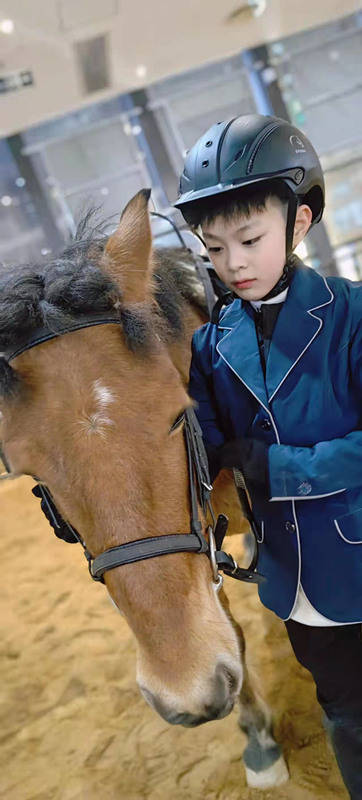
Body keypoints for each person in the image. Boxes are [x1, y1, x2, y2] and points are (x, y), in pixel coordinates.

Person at [174, 114, 362, 799]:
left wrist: (278, 470)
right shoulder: (209, 345)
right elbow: (192, 440)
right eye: (216, 248)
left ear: (300, 221)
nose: (234, 264)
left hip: (361, 556)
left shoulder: (353, 316)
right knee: (346, 713)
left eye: (250, 240)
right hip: (296, 588)